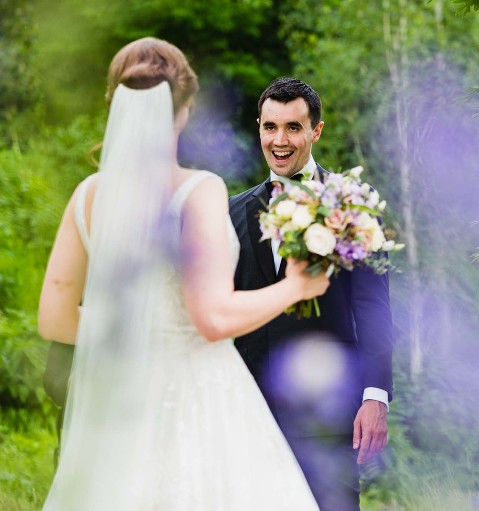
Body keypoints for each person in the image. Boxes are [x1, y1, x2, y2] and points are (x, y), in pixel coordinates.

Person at [37, 37, 328, 510]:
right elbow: (212, 317)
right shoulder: (198, 190)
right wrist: (297, 285)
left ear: (115, 102)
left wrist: (133, 335)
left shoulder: (88, 196)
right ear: (187, 107)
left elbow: (54, 319)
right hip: (199, 399)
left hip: (116, 402)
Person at [229, 77, 394, 511]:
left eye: (293, 128)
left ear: (316, 130)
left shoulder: (355, 207)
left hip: (332, 404)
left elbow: (374, 308)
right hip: (250, 404)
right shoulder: (230, 212)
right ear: (259, 128)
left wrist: (375, 396)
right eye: (270, 127)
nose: (279, 141)